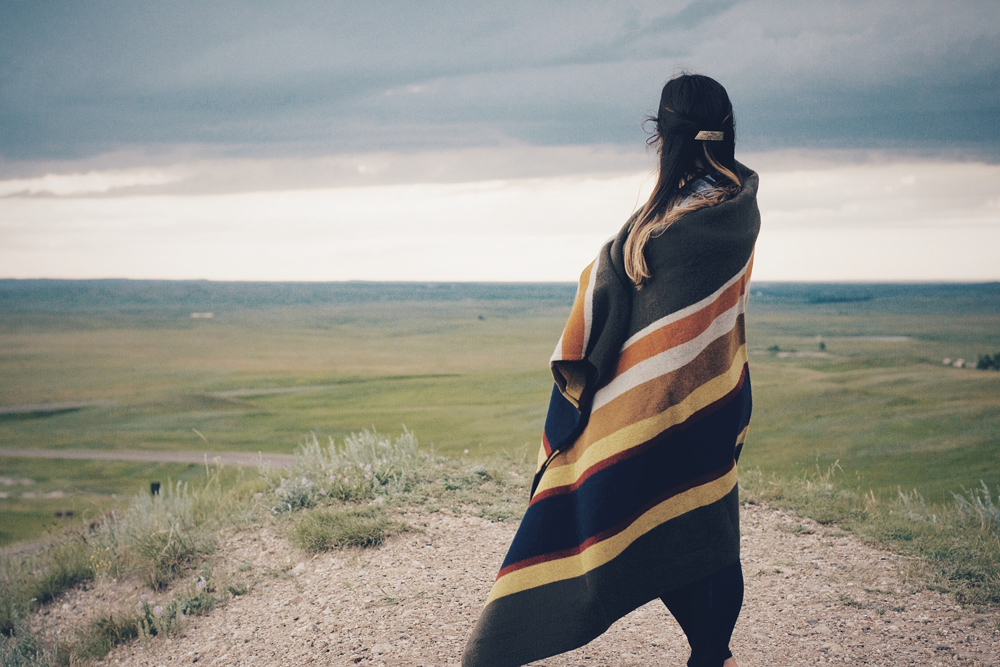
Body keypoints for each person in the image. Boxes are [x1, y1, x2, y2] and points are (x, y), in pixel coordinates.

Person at [462, 73, 760, 667]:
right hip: (704, 396)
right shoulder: (737, 206)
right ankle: (713, 654)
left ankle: (505, 642)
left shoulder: (669, 221)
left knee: (602, 502)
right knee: (700, 517)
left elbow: (613, 295)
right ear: (727, 131)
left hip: (645, 405)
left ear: (661, 136)